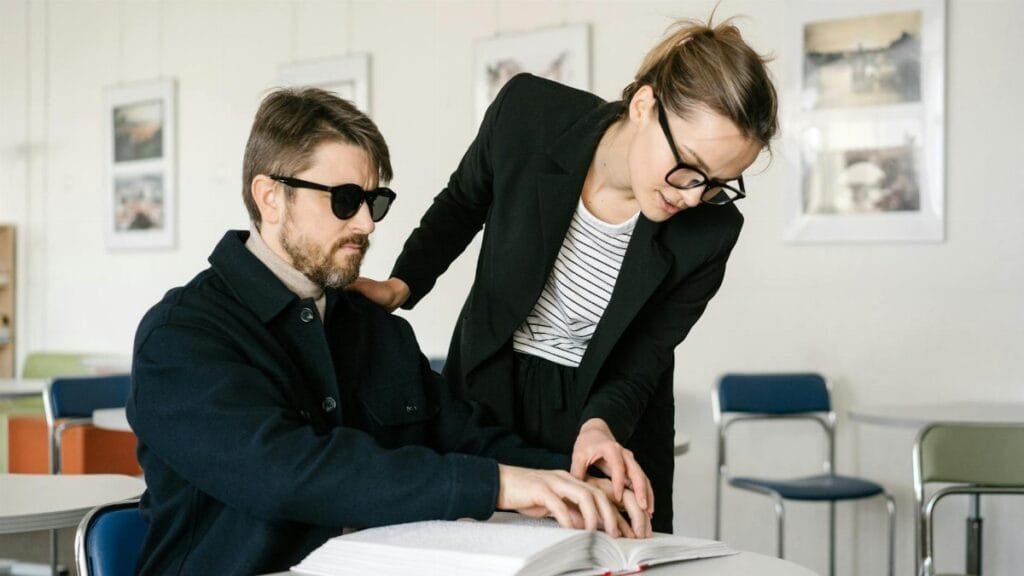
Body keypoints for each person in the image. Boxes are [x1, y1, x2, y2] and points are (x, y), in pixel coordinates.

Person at [127, 87, 651, 576]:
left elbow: (466, 434)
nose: (367, 225)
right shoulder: (182, 337)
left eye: (374, 202)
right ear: (269, 197)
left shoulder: (371, 326)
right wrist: (496, 486)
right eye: (344, 200)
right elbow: (289, 471)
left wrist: (578, 479)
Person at [350, 17, 779, 533]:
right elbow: (463, 202)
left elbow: (644, 356)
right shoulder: (529, 114)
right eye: (689, 167)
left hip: (605, 415)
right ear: (643, 106)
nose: (692, 197)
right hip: (490, 385)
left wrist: (600, 427)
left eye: (717, 183)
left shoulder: (711, 230)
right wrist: (403, 284)